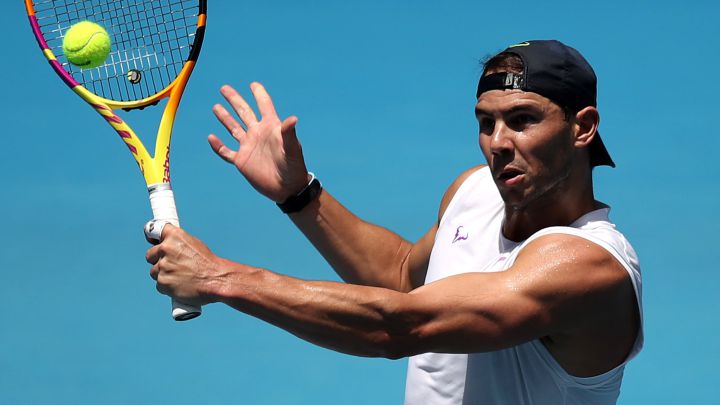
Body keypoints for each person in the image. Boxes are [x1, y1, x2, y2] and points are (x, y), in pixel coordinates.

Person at [145, 40, 642, 404]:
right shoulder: (472, 192)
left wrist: (221, 278)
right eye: (486, 122)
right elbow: (405, 278)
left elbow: (403, 324)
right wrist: (299, 195)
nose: (498, 142)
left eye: (522, 120)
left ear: (582, 128)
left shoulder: (589, 266)